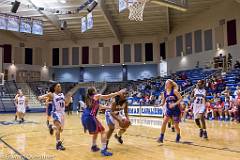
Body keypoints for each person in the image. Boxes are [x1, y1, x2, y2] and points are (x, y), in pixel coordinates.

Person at [81, 87, 126, 156]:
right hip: (90, 116)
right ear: (93, 92)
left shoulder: (90, 99)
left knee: (96, 132)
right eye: (95, 89)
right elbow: (107, 97)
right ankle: (103, 150)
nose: (96, 90)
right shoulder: (96, 96)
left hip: (84, 116)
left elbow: (100, 106)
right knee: (103, 131)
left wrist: (109, 107)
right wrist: (118, 93)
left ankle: (94, 146)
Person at [39, 83, 71, 150]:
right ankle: (58, 144)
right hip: (56, 113)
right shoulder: (52, 94)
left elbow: (66, 104)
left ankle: (51, 127)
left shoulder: (62, 94)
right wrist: (41, 97)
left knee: (60, 130)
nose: (60, 87)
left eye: (60, 86)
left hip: (62, 114)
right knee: (59, 128)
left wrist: (69, 98)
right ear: (55, 88)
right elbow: (46, 95)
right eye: (58, 86)